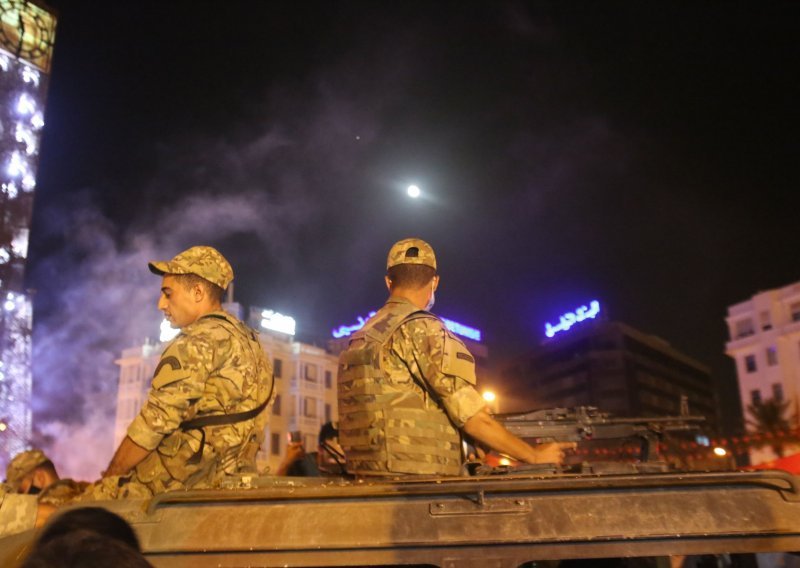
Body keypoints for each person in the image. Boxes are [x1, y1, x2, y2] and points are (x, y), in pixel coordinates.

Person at [337, 238, 567, 476]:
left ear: (388, 282)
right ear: (434, 282)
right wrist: (536, 456)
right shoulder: (422, 328)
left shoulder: (361, 336)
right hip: (417, 487)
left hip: (366, 478)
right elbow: (474, 419)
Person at [91, 245, 274, 498]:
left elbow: (155, 422)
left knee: (61, 517)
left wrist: (111, 476)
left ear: (198, 292)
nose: (161, 304)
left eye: (168, 293)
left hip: (178, 487)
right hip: (233, 482)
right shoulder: (253, 344)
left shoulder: (197, 340)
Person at [5, 449, 89, 506]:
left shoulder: (43, 509)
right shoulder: (88, 492)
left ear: (40, 477)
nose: (21, 497)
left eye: (21, 491)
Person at [276, 422, 347, 477]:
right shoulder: (303, 466)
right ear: (320, 449)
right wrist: (286, 463)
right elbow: (277, 487)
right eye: (333, 456)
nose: (339, 461)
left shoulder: (347, 470)